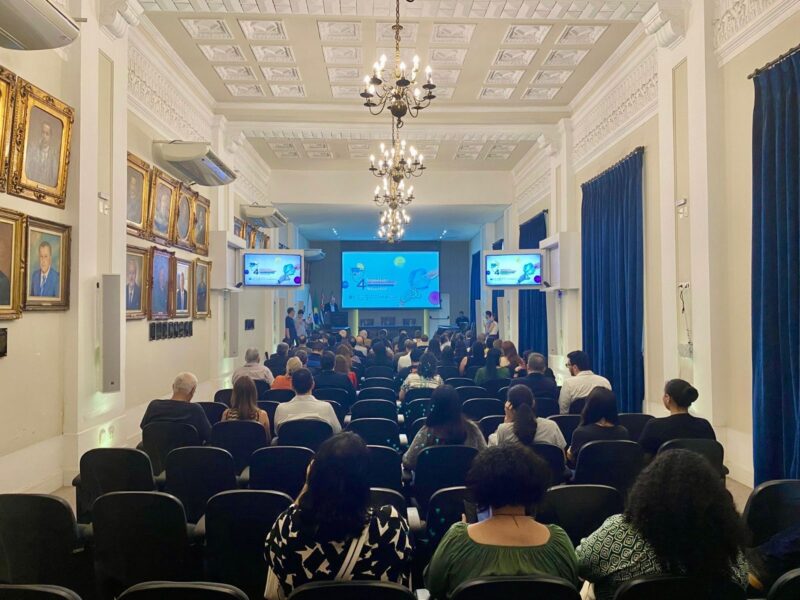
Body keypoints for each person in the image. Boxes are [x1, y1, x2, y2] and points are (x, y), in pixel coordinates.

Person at [576, 450, 748, 600]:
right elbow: (740, 583)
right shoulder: (727, 547)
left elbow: (579, 564)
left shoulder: (619, 532)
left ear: (643, 490)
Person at [265, 433, 412, 598]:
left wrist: (308, 484)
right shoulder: (391, 525)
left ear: (314, 475)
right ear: (365, 481)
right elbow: (404, 575)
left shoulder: (286, 528)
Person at [425, 445, 579, 597]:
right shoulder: (559, 542)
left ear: (480, 487)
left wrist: (463, 529)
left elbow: (433, 585)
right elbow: (571, 585)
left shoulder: (457, 540)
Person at [402, 385, 486, 470]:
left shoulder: (427, 431)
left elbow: (408, 462)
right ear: (458, 406)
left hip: (433, 479)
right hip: (467, 479)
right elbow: (485, 458)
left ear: (433, 407)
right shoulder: (472, 429)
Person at [638, 379, 716, 456]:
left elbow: (641, 457)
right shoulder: (704, 425)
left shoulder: (655, 426)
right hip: (698, 464)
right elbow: (713, 454)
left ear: (667, 398)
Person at [140, 372, 212, 442]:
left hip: (155, 450)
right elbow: (210, 437)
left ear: (173, 386)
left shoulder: (154, 406)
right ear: (192, 391)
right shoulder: (194, 410)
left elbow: (145, 428)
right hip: (187, 450)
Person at [489, 384, 566, 449]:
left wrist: (507, 421)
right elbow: (562, 457)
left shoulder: (503, 430)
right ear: (533, 403)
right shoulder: (551, 426)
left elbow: (495, 453)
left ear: (509, 407)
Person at [567, 388, 629, 467]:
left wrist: (569, 454)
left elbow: (575, 463)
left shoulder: (581, 433)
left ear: (589, 407)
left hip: (588, 475)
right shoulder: (623, 432)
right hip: (617, 474)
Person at [273, 368, 341, 434]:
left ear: (292, 386)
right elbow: (337, 431)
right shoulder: (326, 407)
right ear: (313, 384)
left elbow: (277, 433)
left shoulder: (281, 408)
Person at [25, 118, 59, 187]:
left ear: (50, 137)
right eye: (43, 132)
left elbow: (54, 178)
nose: (44, 136)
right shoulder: (33, 151)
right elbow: (27, 170)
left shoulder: (53, 156)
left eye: (47, 134)